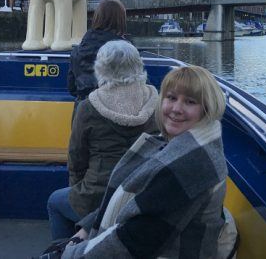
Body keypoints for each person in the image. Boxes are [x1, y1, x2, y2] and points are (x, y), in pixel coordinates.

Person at [62, 65, 228, 258]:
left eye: (190, 102)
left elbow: (134, 241)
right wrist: (86, 228)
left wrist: (70, 254)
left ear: (206, 109)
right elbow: (128, 202)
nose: (176, 109)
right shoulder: (174, 145)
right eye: (171, 98)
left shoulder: (192, 164)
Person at [47, 40, 158, 240]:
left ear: (101, 67)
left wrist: (78, 190)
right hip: (140, 197)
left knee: (55, 202)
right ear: (138, 64)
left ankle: (68, 250)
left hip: (96, 196)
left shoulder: (89, 106)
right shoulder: (155, 102)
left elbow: (77, 158)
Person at [67, 0, 127, 114]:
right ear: (120, 21)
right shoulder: (125, 52)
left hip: (83, 116)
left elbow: (72, 88)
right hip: (113, 119)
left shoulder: (77, 51)